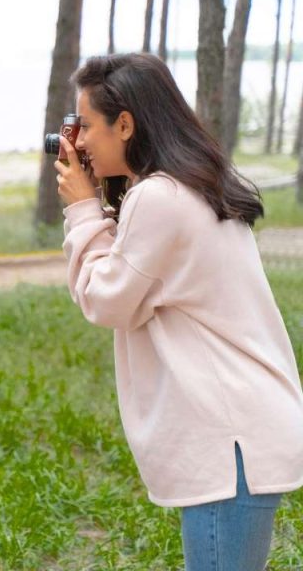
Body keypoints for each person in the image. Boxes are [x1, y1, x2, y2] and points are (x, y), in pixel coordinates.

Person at [55, 52, 303, 570]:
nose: (78, 142)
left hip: (229, 440)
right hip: (243, 433)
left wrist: (82, 209)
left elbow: (106, 300)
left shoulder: (160, 198)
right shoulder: (190, 186)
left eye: (87, 126)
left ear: (125, 124)